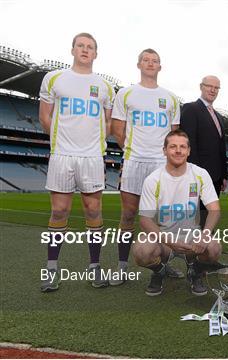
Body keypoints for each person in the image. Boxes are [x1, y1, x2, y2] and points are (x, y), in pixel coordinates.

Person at [39, 33, 115, 292]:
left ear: (96, 54)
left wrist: (96, 144)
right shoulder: (54, 79)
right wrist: (63, 142)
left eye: (90, 47)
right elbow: (45, 117)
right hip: (62, 155)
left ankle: (94, 268)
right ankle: (51, 269)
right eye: (80, 46)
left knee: (93, 211)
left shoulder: (104, 86)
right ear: (72, 50)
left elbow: (107, 121)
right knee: (59, 211)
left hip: (92, 157)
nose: (85, 50)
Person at [110, 48, 182, 286]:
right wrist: (134, 150)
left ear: (160, 67)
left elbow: (174, 135)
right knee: (129, 215)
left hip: (161, 165)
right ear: (139, 64)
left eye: (155, 61)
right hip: (134, 162)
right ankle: (122, 267)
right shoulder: (126, 94)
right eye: (146, 60)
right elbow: (117, 130)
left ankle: (161, 267)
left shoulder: (171, 98)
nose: (151, 64)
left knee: (162, 219)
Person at [133, 129, 222, 296]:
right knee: (141, 251)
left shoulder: (200, 174)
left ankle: (195, 270)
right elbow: (145, 220)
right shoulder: (153, 179)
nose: (178, 150)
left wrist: (204, 235)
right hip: (164, 239)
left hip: (192, 239)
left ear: (189, 151)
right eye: (173, 146)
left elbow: (215, 210)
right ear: (164, 150)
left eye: (182, 147)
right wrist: (169, 241)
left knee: (214, 248)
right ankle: (159, 270)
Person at [180, 75, 227, 227]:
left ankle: (204, 248)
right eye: (209, 86)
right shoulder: (191, 108)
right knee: (195, 219)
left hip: (216, 177)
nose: (213, 90)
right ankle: (188, 249)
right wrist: (196, 174)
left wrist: (224, 175)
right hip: (198, 175)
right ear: (201, 87)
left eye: (216, 88)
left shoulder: (218, 116)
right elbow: (189, 143)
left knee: (209, 219)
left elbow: (221, 147)